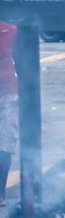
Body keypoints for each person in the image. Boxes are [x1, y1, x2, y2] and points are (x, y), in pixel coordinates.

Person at [0, 20, 18, 207]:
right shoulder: (11, 30)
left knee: (5, 143)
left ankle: (0, 192)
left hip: (8, 93)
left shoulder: (10, 30)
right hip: (9, 92)